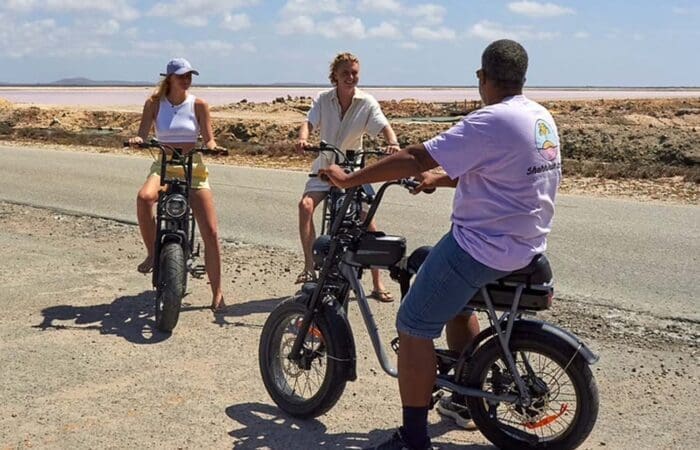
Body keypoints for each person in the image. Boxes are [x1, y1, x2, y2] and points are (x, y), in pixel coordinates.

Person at [320, 39, 561, 450]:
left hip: (481, 248)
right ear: (522, 77)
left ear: (482, 78)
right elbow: (500, 171)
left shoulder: (489, 121)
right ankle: (463, 396)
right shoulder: (539, 118)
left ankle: (413, 438)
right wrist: (440, 180)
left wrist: (348, 179)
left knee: (412, 324)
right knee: (424, 261)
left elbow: (415, 156)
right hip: (525, 244)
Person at [296, 52, 401, 302]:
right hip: (324, 168)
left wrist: (392, 143)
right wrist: (302, 138)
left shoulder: (366, 102)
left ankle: (377, 281)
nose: (351, 77)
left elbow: (383, 126)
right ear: (335, 76)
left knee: (368, 219)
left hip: (353, 171)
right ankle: (309, 266)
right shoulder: (323, 99)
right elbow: (308, 122)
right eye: (345, 73)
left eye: (354, 73)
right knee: (305, 205)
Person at [128, 58, 226, 312]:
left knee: (211, 232)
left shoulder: (199, 105)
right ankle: (153, 253)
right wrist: (138, 139)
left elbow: (209, 138)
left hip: (192, 167)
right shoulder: (154, 103)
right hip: (164, 165)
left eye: (189, 75)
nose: (187, 79)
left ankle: (217, 292)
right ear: (169, 78)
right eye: (182, 75)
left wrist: (214, 148)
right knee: (144, 198)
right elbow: (143, 132)